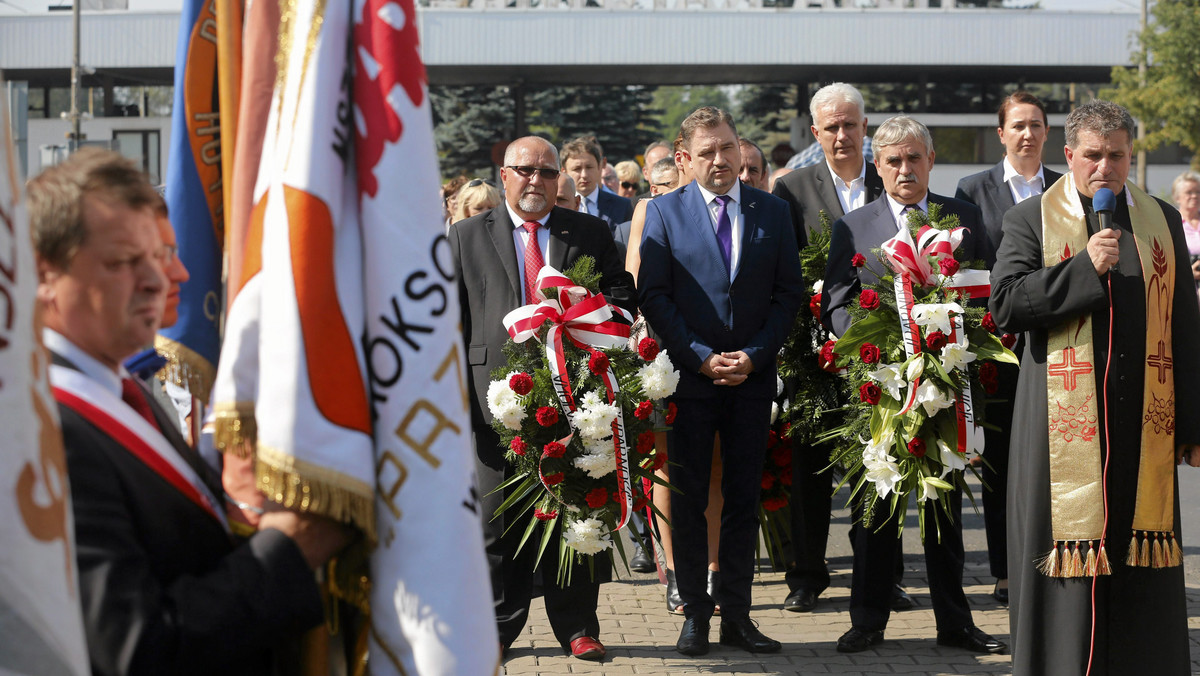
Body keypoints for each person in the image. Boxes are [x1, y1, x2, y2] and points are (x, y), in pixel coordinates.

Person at [29, 148, 348, 676]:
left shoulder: (118, 391)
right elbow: (137, 647)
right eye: (124, 262)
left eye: (157, 256)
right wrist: (288, 550)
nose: (160, 279)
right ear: (45, 276)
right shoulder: (46, 428)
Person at [990, 100, 1200, 676]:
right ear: (1068, 156)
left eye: (1117, 156)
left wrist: (1194, 425)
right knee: (1063, 572)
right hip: (1059, 434)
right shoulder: (1030, 219)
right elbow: (1006, 305)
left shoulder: (1159, 220)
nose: (1104, 168)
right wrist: (1084, 267)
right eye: (1092, 156)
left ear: (1131, 156)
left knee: (1140, 566)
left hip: (1141, 428)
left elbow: (1185, 323)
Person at [820, 115, 1005, 656]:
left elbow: (985, 293)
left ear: (930, 161)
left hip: (948, 386)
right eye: (893, 160)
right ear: (878, 167)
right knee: (876, 504)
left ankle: (954, 622)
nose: (905, 168)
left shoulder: (963, 218)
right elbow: (837, 301)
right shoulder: (854, 226)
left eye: (914, 158)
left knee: (943, 504)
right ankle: (868, 619)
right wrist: (881, 353)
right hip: (883, 389)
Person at [448, 136, 637, 662]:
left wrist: (583, 310)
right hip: (491, 406)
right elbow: (448, 320)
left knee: (577, 510)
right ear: (503, 174)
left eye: (547, 172)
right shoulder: (465, 236)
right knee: (496, 523)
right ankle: (498, 630)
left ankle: (578, 626)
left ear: (561, 179)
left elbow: (620, 300)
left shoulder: (590, 233)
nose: (536, 180)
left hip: (573, 398)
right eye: (525, 170)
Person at [638, 106, 803, 657]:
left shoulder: (772, 212)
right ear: (684, 158)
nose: (719, 160)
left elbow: (788, 296)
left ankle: (737, 614)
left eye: (727, 148)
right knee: (685, 504)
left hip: (751, 381)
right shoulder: (663, 213)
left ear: (739, 149)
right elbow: (654, 296)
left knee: (741, 500)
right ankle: (695, 615)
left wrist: (755, 357)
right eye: (706, 152)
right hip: (691, 380)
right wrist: (701, 357)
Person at [770, 82, 906, 617]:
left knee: (881, 464)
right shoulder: (792, 190)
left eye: (852, 124)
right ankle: (806, 575)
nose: (843, 135)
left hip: (884, 353)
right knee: (809, 469)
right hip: (813, 355)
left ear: (865, 128)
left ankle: (883, 576)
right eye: (832, 127)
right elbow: (782, 268)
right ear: (815, 134)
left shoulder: (890, 177)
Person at [954, 90, 1062, 605]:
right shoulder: (972, 191)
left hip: (1059, 346)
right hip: (997, 349)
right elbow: (964, 272)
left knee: (1055, 458)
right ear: (1001, 133)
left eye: (1036, 124)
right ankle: (1003, 568)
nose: (1027, 133)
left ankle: (1057, 559)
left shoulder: (1067, 189)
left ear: (1047, 132)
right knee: (999, 463)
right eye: (1017, 125)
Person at [561, 135, 633, 235]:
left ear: (599, 167)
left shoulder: (622, 206)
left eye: (589, 167)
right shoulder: (556, 206)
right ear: (564, 171)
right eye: (577, 169)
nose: (584, 175)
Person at [1170, 170, 1200, 295]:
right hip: (1183, 290)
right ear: (1177, 197)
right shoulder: (1171, 223)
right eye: (1189, 192)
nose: (1194, 196)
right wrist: (1188, 273)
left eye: (1198, 192)